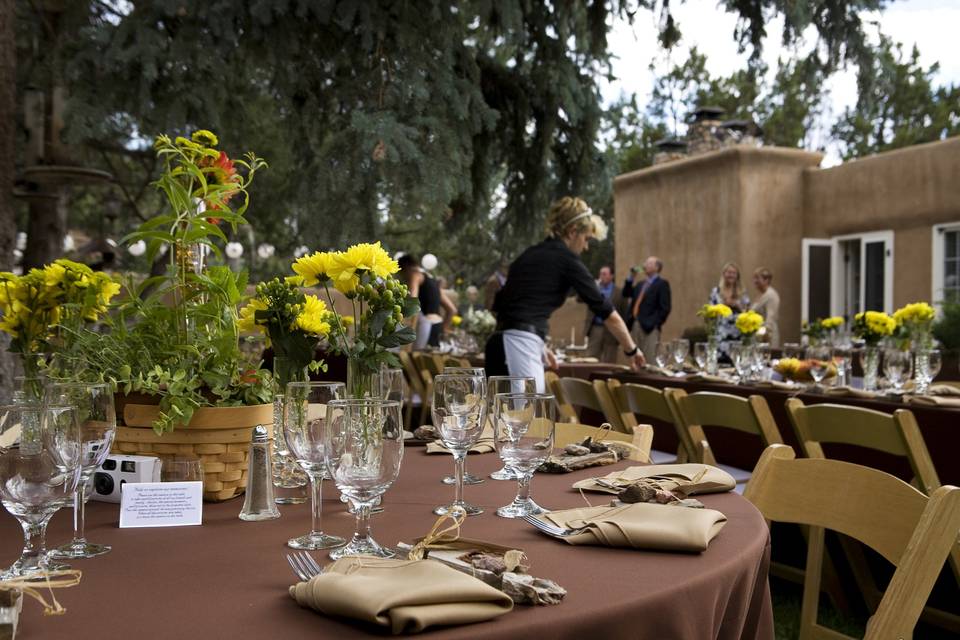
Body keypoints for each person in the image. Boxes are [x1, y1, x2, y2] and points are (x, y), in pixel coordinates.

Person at [485, 197, 645, 391]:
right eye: (586, 238)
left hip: (497, 344)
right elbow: (606, 311)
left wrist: (539, 345)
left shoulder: (529, 255)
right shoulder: (567, 260)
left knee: (499, 417)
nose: (586, 247)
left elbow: (505, 307)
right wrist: (632, 351)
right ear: (572, 232)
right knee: (528, 418)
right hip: (520, 347)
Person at [398, 254, 458, 349]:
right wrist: (443, 329)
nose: (403, 278)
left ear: (406, 268)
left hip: (425, 328)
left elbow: (412, 301)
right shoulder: (433, 282)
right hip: (437, 328)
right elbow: (452, 310)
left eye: (402, 273)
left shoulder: (415, 275)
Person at [630, 256, 672, 363]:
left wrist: (654, 323)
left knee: (649, 359)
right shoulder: (640, 284)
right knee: (635, 359)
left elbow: (665, 308)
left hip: (650, 328)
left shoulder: (662, 284)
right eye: (645, 263)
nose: (645, 266)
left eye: (648, 263)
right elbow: (626, 293)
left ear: (657, 268)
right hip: (635, 324)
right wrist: (631, 277)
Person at [709, 262, 750, 358]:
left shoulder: (742, 292)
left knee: (736, 360)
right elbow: (710, 310)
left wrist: (736, 305)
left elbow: (748, 312)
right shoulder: (716, 291)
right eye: (728, 272)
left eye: (733, 273)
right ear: (724, 274)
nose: (731, 275)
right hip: (721, 333)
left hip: (737, 333)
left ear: (737, 276)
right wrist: (723, 306)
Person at [583, 265, 622, 363]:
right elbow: (579, 299)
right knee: (590, 358)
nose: (601, 276)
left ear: (611, 276)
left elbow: (624, 312)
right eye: (600, 274)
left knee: (609, 360)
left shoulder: (619, 293)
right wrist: (590, 287)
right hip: (596, 327)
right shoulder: (594, 289)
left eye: (604, 274)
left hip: (612, 329)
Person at [750, 267, 780, 347]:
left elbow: (771, 317)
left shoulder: (770, 295)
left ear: (766, 280)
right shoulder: (761, 294)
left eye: (757, 278)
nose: (754, 281)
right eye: (754, 278)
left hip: (766, 337)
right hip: (757, 335)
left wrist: (765, 336)